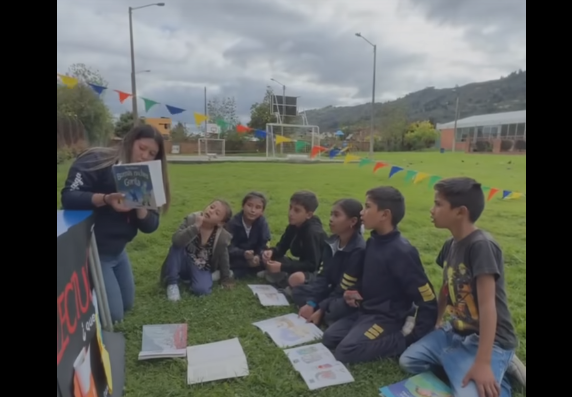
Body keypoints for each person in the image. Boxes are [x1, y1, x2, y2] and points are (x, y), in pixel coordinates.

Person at [400, 178, 526, 397]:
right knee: (409, 361)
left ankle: (496, 368)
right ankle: (464, 362)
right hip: (456, 330)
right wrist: (438, 321)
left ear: (460, 212)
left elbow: (488, 306)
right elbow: (446, 288)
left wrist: (483, 363)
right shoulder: (450, 244)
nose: (432, 210)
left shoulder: (482, 245)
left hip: (492, 339)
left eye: (438, 204)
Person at [61, 124, 171, 323]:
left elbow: (150, 226)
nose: (145, 156)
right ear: (130, 142)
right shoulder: (96, 160)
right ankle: (79, 287)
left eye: (152, 153)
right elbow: (69, 197)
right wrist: (106, 199)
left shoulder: (147, 177)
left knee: (127, 305)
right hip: (94, 250)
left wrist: (141, 204)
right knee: (113, 316)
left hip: (118, 251)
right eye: (142, 148)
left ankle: (94, 286)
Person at [322, 187, 438, 364]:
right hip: (366, 310)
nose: (362, 212)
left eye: (367, 207)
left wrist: (414, 336)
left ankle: (400, 336)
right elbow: (371, 278)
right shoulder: (374, 240)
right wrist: (353, 291)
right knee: (329, 337)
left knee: (346, 351)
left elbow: (427, 298)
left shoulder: (402, 252)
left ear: (385, 215)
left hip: (387, 318)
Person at [293, 199, 366, 326]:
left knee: (336, 309)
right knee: (298, 291)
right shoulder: (331, 242)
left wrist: (320, 308)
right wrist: (311, 303)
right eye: (331, 214)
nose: (331, 219)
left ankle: (322, 313)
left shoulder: (358, 250)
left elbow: (344, 289)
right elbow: (323, 277)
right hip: (331, 288)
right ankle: (319, 308)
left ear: (353, 221)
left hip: (344, 294)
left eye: (336, 215)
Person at [161, 200, 234, 301]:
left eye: (217, 213)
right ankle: (172, 283)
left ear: (220, 223)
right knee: (177, 246)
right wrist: (195, 227)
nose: (211, 211)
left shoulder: (222, 236)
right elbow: (176, 240)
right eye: (212, 207)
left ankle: (207, 277)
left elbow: (224, 257)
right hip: (183, 259)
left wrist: (225, 278)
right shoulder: (191, 219)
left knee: (201, 290)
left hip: (200, 264)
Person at [261, 191, 327, 289]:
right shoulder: (293, 225)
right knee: (270, 258)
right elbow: (282, 247)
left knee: (297, 278)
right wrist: (271, 252)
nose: (291, 213)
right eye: (290, 208)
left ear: (308, 214)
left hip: (318, 271)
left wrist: (282, 267)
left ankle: (286, 281)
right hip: (302, 266)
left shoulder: (313, 233)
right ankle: (281, 278)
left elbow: (312, 265)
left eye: (297, 210)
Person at [226, 192, 271, 279]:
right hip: (238, 256)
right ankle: (235, 271)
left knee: (272, 255)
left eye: (258, 207)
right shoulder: (233, 223)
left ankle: (251, 268)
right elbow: (229, 246)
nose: (253, 210)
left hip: (254, 255)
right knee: (228, 259)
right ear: (243, 206)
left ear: (262, 211)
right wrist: (243, 253)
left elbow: (264, 242)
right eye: (249, 205)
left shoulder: (262, 222)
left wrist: (258, 255)